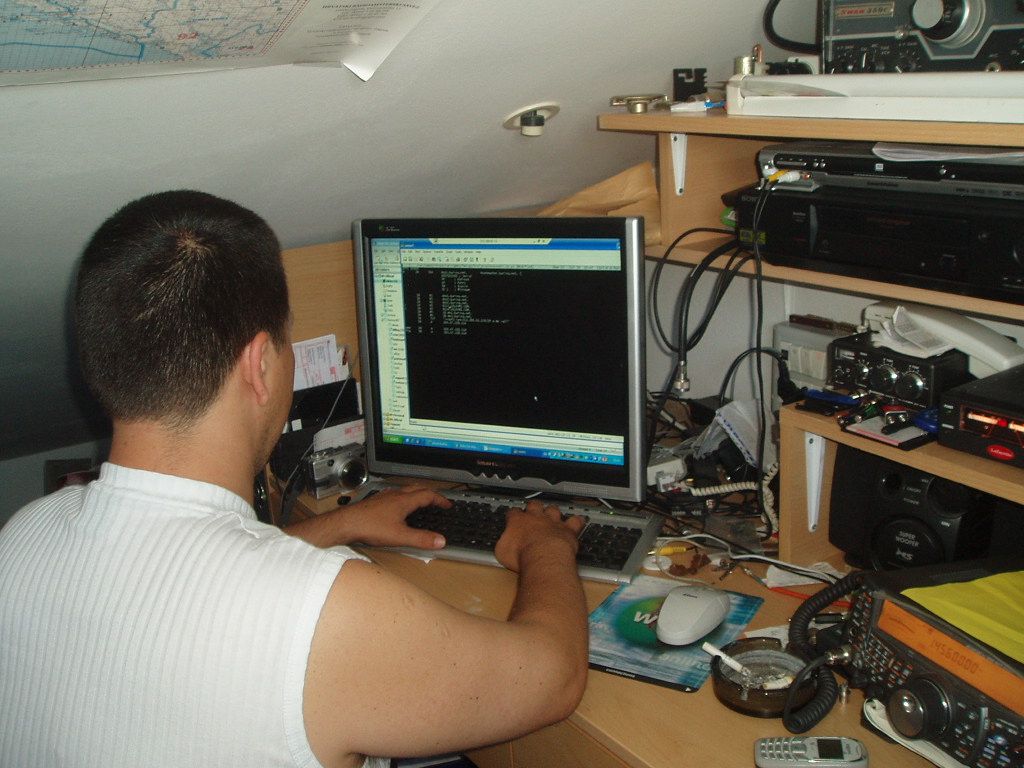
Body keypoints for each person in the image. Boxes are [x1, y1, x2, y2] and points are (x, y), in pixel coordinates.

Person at [0, 191, 589, 768]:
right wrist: (547, 548)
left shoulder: (24, 535)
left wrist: (339, 525)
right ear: (260, 364)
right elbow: (552, 680)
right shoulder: (325, 613)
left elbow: (179, 580)